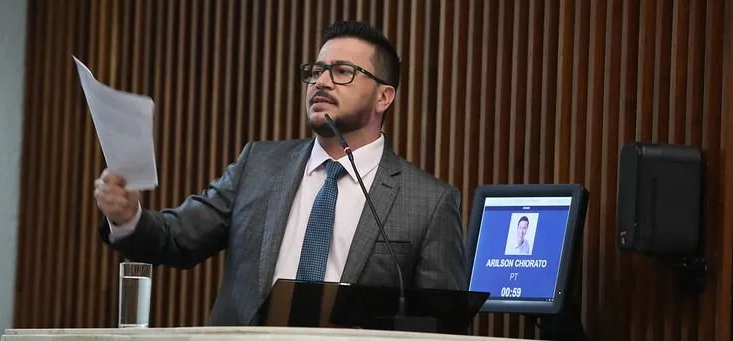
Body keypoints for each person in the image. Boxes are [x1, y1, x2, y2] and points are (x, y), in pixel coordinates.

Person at [94, 20, 468, 326]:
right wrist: (128, 218)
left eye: (342, 72)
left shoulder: (428, 202)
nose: (321, 82)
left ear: (384, 97)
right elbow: (176, 238)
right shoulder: (259, 165)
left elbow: (445, 325)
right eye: (316, 71)